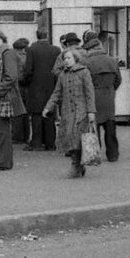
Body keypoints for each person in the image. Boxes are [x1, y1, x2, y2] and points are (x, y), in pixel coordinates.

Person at [42, 48, 96, 178]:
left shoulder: (84, 72)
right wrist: (48, 107)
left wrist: (91, 111)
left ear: (75, 58)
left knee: (78, 139)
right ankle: (77, 165)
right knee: (70, 138)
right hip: (67, 112)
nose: (66, 61)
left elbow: (89, 93)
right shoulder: (63, 74)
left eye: (68, 58)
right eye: (64, 58)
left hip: (81, 112)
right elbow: (57, 93)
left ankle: (76, 165)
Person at [0, 29, 25, 171]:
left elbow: (11, 76)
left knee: (2, 130)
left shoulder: (7, 54)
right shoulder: (0, 54)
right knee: (2, 129)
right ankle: (3, 160)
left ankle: (2, 161)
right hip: (1, 94)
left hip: (3, 96)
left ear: (2, 39)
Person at [80, 31, 121, 162]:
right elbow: (118, 80)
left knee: (93, 125)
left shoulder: (86, 63)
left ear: (90, 49)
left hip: (93, 96)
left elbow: (84, 82)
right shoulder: (112, 61)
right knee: (110, 126)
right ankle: (113, 154)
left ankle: (94, 153)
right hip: (109, 96)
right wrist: (110, 89)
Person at [22, 29, 60, 151]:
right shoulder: (56, 50)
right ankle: (50, 143)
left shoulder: (31, 49)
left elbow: (28, 70)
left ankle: (37, 142)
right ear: (47, 36)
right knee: (49, 113)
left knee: (36, 114)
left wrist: (26, 82)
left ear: (36, 36)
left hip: (35, 86)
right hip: (51, 85)